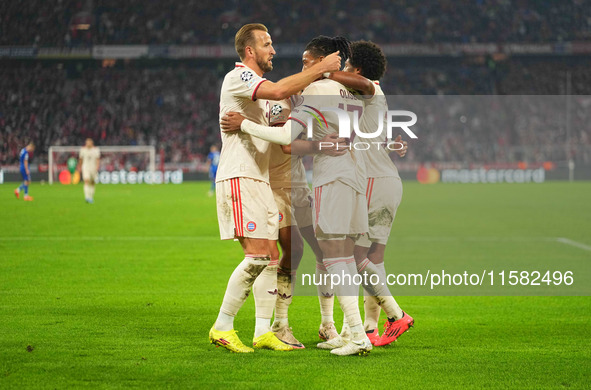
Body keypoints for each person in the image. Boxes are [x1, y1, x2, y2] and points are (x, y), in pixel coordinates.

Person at [221, 36, 374, 356]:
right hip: (283, 184)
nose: (300, 67)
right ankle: (280, 323)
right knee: (299, 253)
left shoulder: (306, 92)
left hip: (308, 182)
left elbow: (289, 140)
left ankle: (336, 326)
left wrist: (323, 76)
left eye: (307, 63)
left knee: (327, 254)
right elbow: (288, 143)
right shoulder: (341, 91)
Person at [342, 41, 414, 346]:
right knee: (374, 257)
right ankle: (370, 327)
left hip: (374, 182)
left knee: (353, 256)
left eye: (346, 64)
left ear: (357, 69)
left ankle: (397, 316)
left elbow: (357, 82)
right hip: (386, 181)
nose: (341, 68)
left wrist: (321, 71)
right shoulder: (367, 100)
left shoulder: (369, 88)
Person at [77, 139, 101, 203]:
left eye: (89, 143)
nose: (87, 144)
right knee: (86, 181)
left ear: (92, 143)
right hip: (85, 167)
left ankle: (91, 197)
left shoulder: (96, 150)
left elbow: (98, 159)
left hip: (93, 168)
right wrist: (79, 166)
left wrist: (97, 167)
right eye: (86, 143)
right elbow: (81, 159)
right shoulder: (83, 150)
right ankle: (87, 197)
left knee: (92, 182)